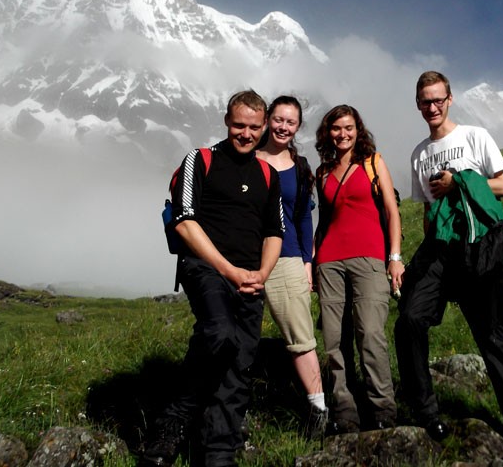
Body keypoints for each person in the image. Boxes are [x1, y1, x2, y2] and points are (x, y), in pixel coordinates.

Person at [394, 71, 503, 446]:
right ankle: (425, 414)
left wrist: (459, 182)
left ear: (450, 99)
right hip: (440, 250)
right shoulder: (419, 154)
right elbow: (428, 211)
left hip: (478, 248)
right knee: (409, 319)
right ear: (418, 105)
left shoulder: (474, 136)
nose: (432, 107)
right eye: (425, 101)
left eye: (438, 99)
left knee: (493, 335)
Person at [142, 90, 284, 467]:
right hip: (205, 268)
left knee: (240, 362)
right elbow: (185, 223)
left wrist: (262, 274)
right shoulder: (200, 160)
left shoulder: (267, 174)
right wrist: (229, 270)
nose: (246, 134)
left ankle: (219, 453)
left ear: (265, 126)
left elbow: (275, 232)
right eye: (239, 125)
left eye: (255, 127)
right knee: (218, 334)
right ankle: (171, 425)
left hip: (250, 276)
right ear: (226, 121)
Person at [313, 104, 404, 434]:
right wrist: (313, 261)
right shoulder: (322, 173)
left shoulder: (373, 163)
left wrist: (394, 257)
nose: (342, 133)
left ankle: (383, 409)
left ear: (358, 130)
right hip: (328, 261)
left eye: (348, 127)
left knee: (370, 333)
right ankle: (345, 410)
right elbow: (323, 222)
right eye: (336, 128)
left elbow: (392, 213)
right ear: (328, 132)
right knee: (334, 340)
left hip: (369, 258)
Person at [254, 95, 328, 439]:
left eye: (291, 122)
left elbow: (302, 217)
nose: (283, 127)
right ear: (268, 119)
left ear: (297, 127)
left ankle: (318, 409)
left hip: (287, 257)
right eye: (279, 119)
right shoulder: (245, 157)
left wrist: (307, 262)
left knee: (300, 338)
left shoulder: (299, 168)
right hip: (243, 259)